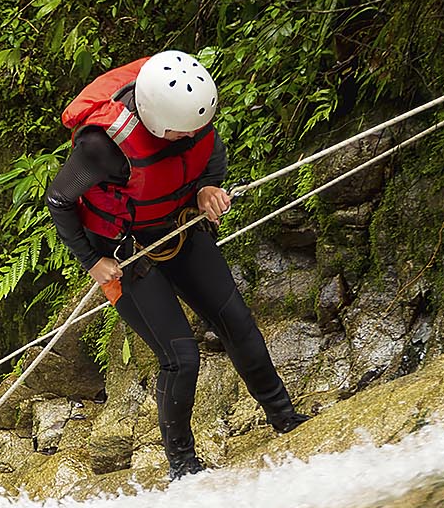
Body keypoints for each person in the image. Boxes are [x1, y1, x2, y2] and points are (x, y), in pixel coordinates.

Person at [45, 50, 309, 480]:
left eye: (195, 129)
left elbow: (212, 153)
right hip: (125, 253)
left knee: (237, 322)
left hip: (177, 227)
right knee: (181, 357)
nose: (189, 137)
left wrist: (208, 189)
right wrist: (92, 261)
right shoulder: (101, 147)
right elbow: (60, 200)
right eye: (179, 132)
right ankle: (182, 466)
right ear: (152, 117)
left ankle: (284, 417)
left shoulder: (193, 117)